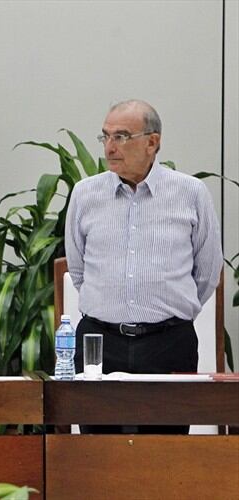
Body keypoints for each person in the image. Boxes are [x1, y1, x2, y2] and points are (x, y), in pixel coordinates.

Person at [65, 99, 222, 434]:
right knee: (95, 457)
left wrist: (166, 311)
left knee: (164, 459)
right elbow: (78, 271)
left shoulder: (191, 193)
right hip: (99, 342)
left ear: (153, 142)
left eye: (121, 136)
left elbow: (207, 271)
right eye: (105, 136)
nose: (110, 147)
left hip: (168, 343)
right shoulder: (84, 195)